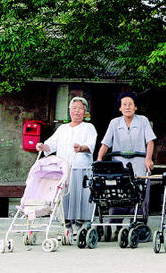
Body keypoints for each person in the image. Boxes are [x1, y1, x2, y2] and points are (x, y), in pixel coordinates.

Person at [36, 97, 97, 234]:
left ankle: (80, 224)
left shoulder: (89, 127)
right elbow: (51, 144)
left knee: (80, 196)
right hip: (63, 170)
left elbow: (90, 145)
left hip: (81, 168)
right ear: (69, 111)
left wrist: (81, 147)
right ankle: (66, 225)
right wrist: (43, 146)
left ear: (85, 112)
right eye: (74, 108)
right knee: (64, 197)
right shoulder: (62, 129)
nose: (77, 111)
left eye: (80, 108)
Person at [97, 91, 156, 226]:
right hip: (120, 166)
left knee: (140, 194)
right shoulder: (114, 123)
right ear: (120, 108)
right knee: (118, 194)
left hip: (139, 165)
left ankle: (139, 224)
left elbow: (150, 141)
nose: (127, 107)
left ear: (135, 107)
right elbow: (105, 143)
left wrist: (148, 159)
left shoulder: (143, 121)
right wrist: (99, 159)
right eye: (124, 104)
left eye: (130, 104)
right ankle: (115, 223)